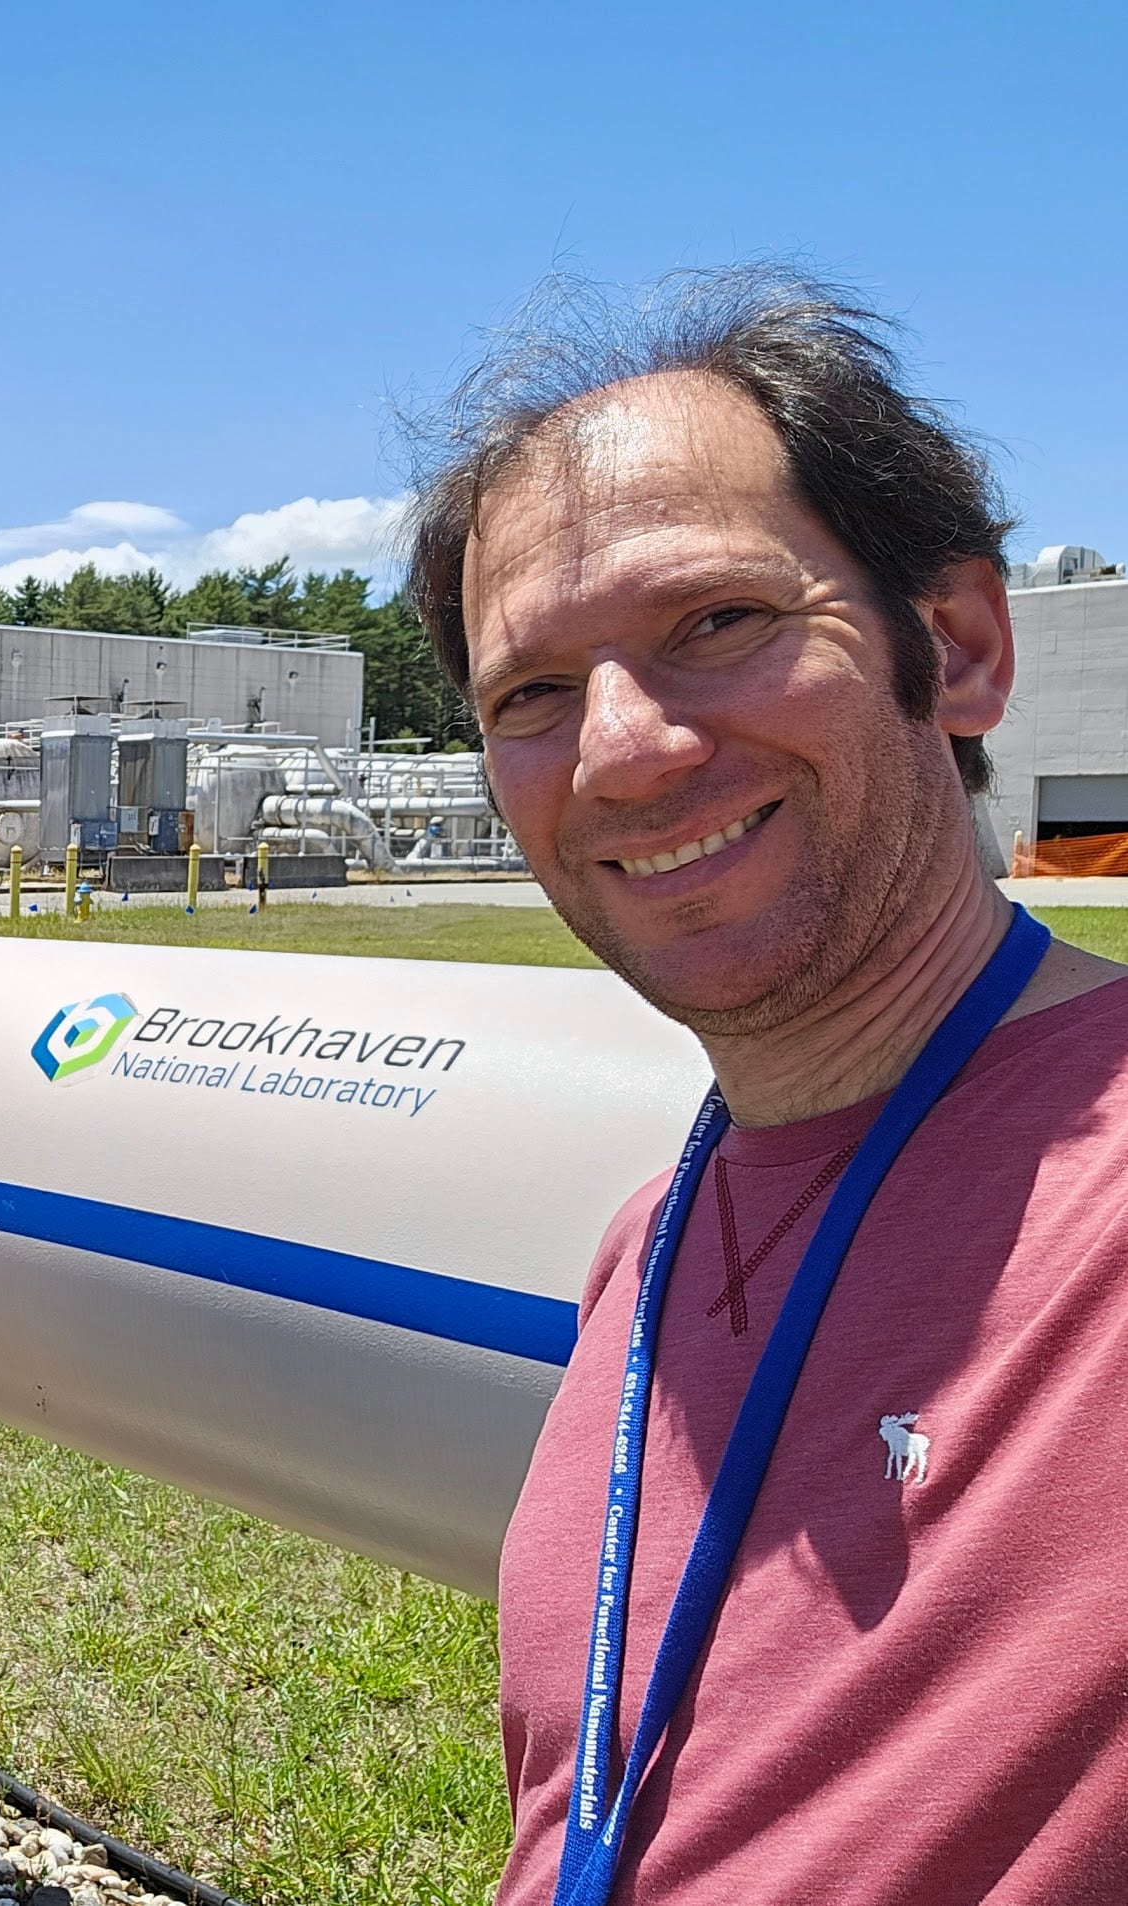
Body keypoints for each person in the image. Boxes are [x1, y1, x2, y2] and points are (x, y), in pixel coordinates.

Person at [405, 267, 1128, 1903]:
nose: (619, 748)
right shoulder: (648, 1246)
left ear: (950, 646)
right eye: (529, 694)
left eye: (713, 624)